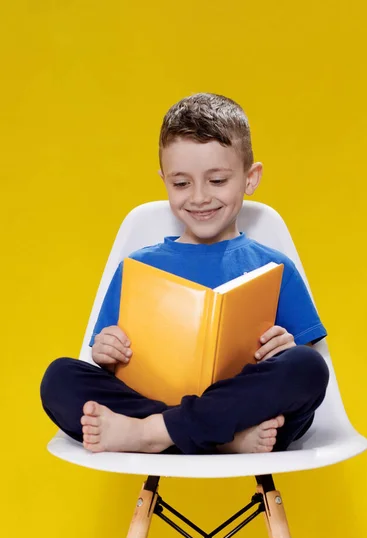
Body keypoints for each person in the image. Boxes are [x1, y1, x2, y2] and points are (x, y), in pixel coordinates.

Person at [40, 92, 329, 456]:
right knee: (60, 379)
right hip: (236, 429)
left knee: (307, 367)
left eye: (217, 181)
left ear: (250, 178)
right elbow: (108, 360)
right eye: (181, 184)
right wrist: (105, 352)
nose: (199, 197)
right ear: (164, 181)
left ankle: (151, 434)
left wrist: (286, 347)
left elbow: (303, 362)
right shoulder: (137, 267)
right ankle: (221, 439)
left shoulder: (275, 267)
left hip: (251, 417)